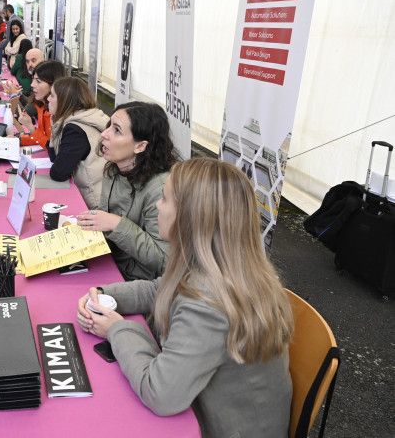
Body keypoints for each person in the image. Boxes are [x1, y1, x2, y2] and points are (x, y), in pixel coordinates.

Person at [76, 157, 294, 438]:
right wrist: (107, 295)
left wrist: (117, 328)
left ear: (191, 217)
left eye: (165, 200)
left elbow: (160, 393)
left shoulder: (208, 301)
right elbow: (161, 288)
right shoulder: (227, 266)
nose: (157, 205)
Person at [76, 102, 179, 281]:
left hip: (136, 281)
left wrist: (116, 224)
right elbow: (105, 217)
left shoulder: (162, 189)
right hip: (110, 262)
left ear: (140, 146)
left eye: (116, 130)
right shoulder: (114, 168)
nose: (104, 134)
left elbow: (165, 261)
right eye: (109, 125)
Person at [46, 76, 109, 208]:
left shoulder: (75, 130)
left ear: (64, 101)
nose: (48, 99)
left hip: (94, 204)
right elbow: (55, 157)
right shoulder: (85, 116)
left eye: (52, 95)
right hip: (101, 194)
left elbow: (59, 173)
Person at [14, 60, 65, 150]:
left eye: (38, 81)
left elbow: (52, 147)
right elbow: (41, 136)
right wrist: (18, 140)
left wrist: (30, 127)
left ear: (54, 84)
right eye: (33, 80)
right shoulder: (42, 105)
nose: (32, 85)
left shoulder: (61, 114)